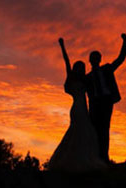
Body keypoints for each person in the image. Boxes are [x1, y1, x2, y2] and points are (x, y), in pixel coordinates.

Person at [48, 38, 106, 172]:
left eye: (82, 67)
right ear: (76, 68)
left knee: (84, 132)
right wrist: (62, 46)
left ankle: (81, 158)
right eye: (79, 67)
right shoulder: (73, 78)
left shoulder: (85, 80)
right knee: (80, 131)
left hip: (83, 108)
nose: (81, 69)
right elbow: (66, 60)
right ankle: (75, 161)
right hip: (78, 108)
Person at [86, 33, 126, 164]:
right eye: (92, 58)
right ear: (90, 60)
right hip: (94, 104)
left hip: (106, 101)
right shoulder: (88, 77)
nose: (95, 59)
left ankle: (104, 158)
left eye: (96, 57)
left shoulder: (107, 69)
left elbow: (120, 59)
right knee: (94, 130)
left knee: (104, 129)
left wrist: (124, 43)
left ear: (99, 59)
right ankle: (95, 157)